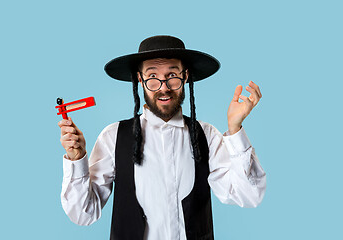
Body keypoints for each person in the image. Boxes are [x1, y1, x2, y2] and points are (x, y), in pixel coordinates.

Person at [58, 35, 266, 240]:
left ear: (185, 76)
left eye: (172, 75)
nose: (164, 87)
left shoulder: (207, 135)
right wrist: (77, 160)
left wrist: (235, 128)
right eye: (152, 77)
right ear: (140, 79)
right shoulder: (113, 137)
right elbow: (83, 214)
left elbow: (248, 195)